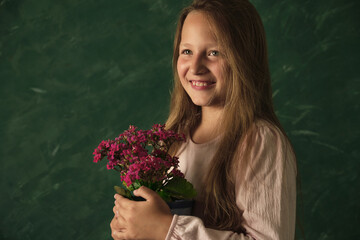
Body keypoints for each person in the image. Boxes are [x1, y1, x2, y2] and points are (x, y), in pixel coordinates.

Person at [110, 0, 297, 239]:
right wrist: (132, 226)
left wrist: (166, 229)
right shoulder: (175, 137)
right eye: (187, 51)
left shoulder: (260, 141)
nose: (196, 67)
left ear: (245, 58)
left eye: (214, 53)